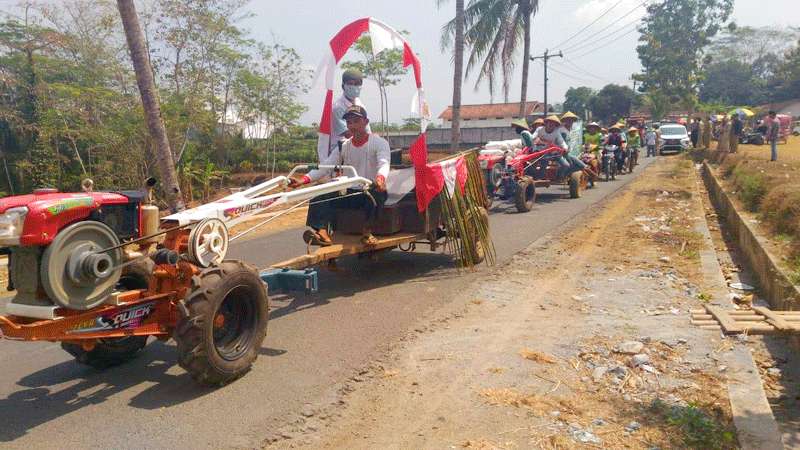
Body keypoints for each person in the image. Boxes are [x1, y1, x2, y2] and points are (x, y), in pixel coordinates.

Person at [292, 105, 388, 246]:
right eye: (349, 122)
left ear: (366, 122)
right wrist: (303, 180)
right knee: (319, 194)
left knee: (378, 194)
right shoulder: (343, 145)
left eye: (356, 121)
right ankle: (322, 232)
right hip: (349, 192)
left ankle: (367, 232)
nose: (352, 126)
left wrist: (380, 179)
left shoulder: (379, 143)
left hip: (368, 191)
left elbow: (384, 163)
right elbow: (325, 167)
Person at [326, 69, 371, 159]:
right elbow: (349, 133)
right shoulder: (338, 107)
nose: (354, 87)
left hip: (359, 148)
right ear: (343, 86)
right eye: (351, 84)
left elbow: (367, 130)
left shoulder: (359, 103)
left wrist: (374, 141)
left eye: (357, 84)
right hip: (340, 152)